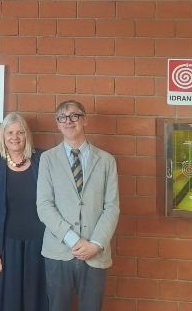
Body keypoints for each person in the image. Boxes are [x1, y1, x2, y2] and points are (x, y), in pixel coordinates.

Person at [37, 101, 120, 311]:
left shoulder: (107, 161)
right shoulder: (47, 159)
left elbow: (112, 207)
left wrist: (96, 243)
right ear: (57, 124)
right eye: (62, 117)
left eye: (74, 116)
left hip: (95, 252)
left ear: (85, 120)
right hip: (59, 250)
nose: (69, 121)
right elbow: (44, 205)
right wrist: (73, 239)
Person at [0, 113, 48, 311]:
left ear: (27, 135)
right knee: (7, 300)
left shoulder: (42, 159)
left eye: (20, 132)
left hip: (38, 244)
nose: (15, 137)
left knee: (35, 298)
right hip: (5, 245)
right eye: (9, 132)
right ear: (2, 135)